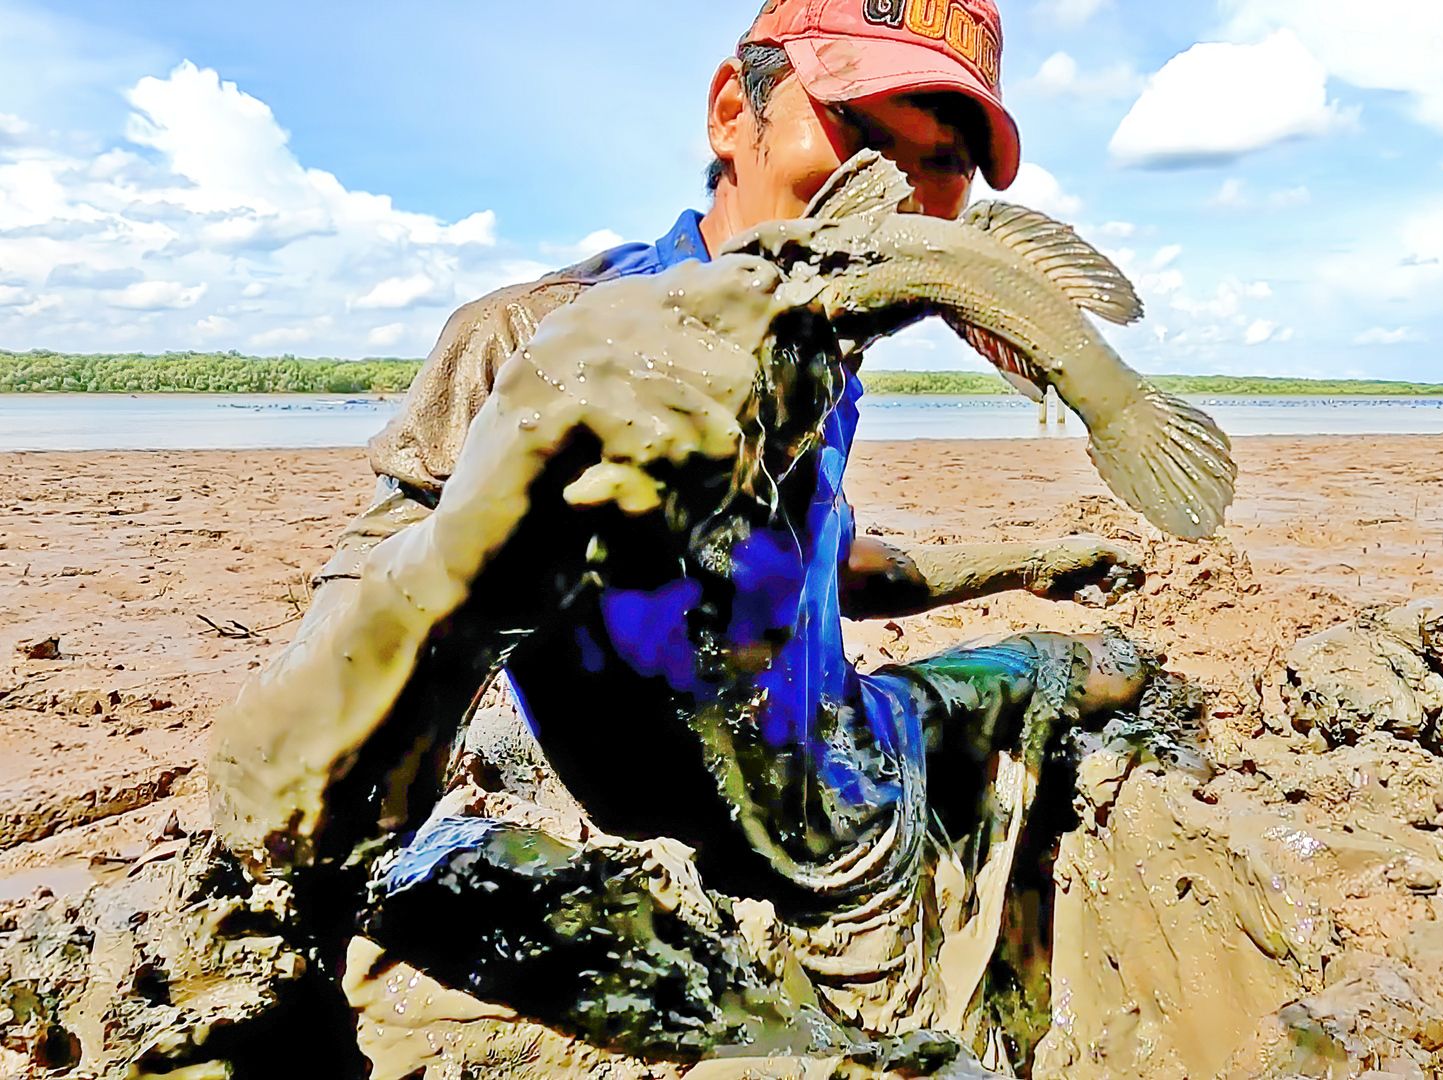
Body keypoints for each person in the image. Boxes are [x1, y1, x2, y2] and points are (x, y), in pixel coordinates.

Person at [210, 1, 1150, 1073]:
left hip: (852, 782)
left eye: (942, 163)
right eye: (860, 134)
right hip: (700, 854)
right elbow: (301, 765)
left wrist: (1027, 563)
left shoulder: (829, 348)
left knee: (1104, 676)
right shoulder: (532, 345)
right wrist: (504, 530)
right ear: (728, 115)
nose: (900, 192)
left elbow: (805, 576)